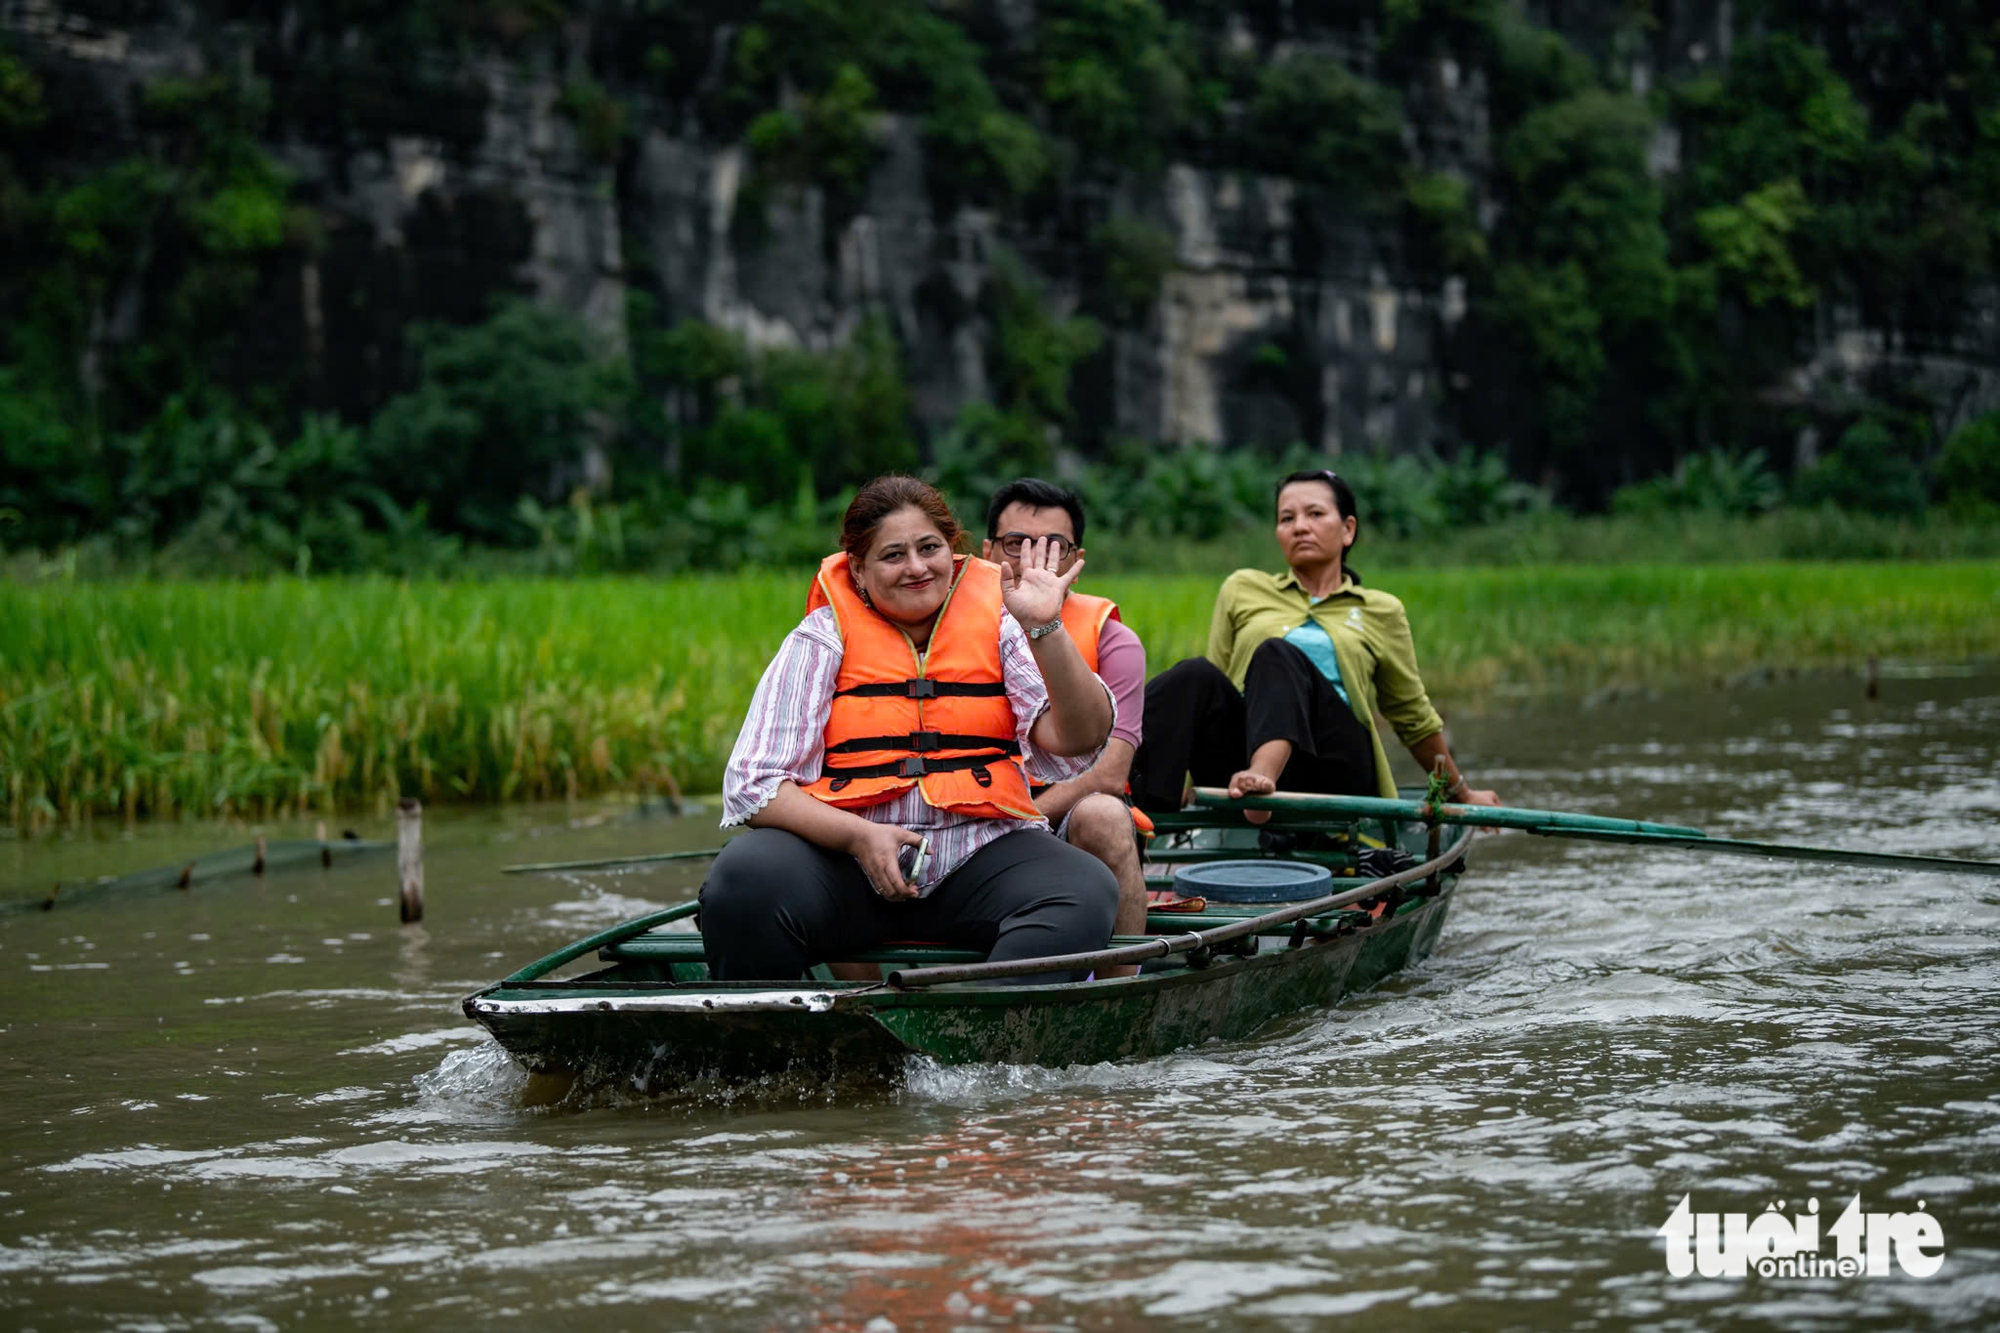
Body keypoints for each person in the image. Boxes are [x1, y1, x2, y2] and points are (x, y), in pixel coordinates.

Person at [700, 475, 1119, 982]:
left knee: (1084, 889)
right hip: (845, 865)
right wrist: (858, 837)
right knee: (741, 879)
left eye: (929, 548)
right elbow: (752, 783)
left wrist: (1044, 627)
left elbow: (1078, 740)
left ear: (953, 553)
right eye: (893, 555)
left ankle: (979, 1028)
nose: (917, 567)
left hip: (980, 856)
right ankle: (790, 1030)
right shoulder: (821, 637)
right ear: (858, 569)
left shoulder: (1003, 626)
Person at [1130, 468, 1499, 822]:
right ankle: (1135, 803)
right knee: (1193, 675)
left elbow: (1412, 716)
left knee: (1275, 653)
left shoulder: (1381, 610)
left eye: (1315, 514)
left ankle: (1263, 775)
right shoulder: (1242, 588)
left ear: (1348, 529)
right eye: (1287, 518)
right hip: (1242, 761)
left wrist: (1462, 794)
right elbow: (1214, 690)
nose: (1300, 527)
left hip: (1335, 767)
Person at [980, 478, 1151, 964]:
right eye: (1016, 544)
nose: (1034, 560)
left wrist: (1021, 823)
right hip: (972, 806)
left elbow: (1110, 773)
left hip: (1062, 813)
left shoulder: (1112, 639)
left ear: (1077, 559)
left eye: (1053, 546)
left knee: (1103, 815)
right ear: (987, 552)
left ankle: (1121, 988)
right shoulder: (944, 624)